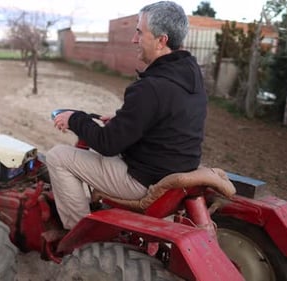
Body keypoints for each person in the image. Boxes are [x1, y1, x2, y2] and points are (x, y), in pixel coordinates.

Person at [46, 1, 207, 230]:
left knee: (58, 156)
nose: (134, 39)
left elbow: (107, 144)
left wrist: (74, 118)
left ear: (162, 41)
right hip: (171, 169)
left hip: (144, 179)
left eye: (140, 32)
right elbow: (165, 117)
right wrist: (124, 118)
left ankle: (77, 235)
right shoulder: (190, 76)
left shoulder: (151, 88)